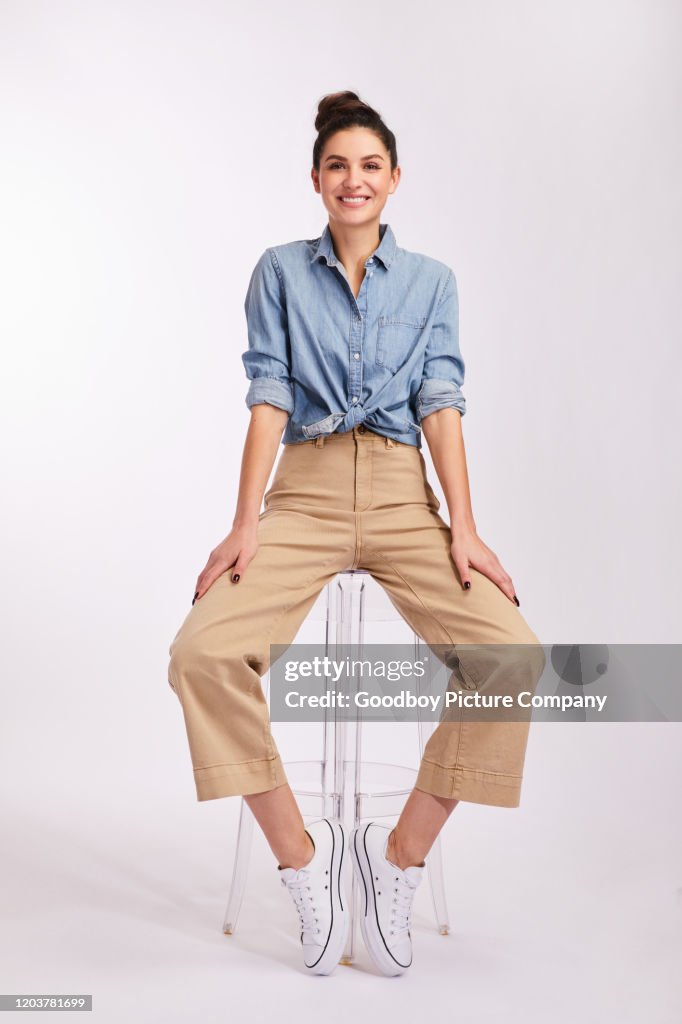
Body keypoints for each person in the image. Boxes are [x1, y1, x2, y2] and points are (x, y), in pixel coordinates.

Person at [167, 90, 546, 978]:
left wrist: (465, 528)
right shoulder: (279, 272)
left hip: (401, 493)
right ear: (316, 179)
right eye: (338, 165)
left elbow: (443, 406)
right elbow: (268, 393)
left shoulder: (432, 282)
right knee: (201, 654)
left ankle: (395, 860)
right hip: (301, 494)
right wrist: (242, 524)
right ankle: (304, 863)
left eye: (370, 165)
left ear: (394, 180)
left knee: (513, 656)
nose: (354, 179)